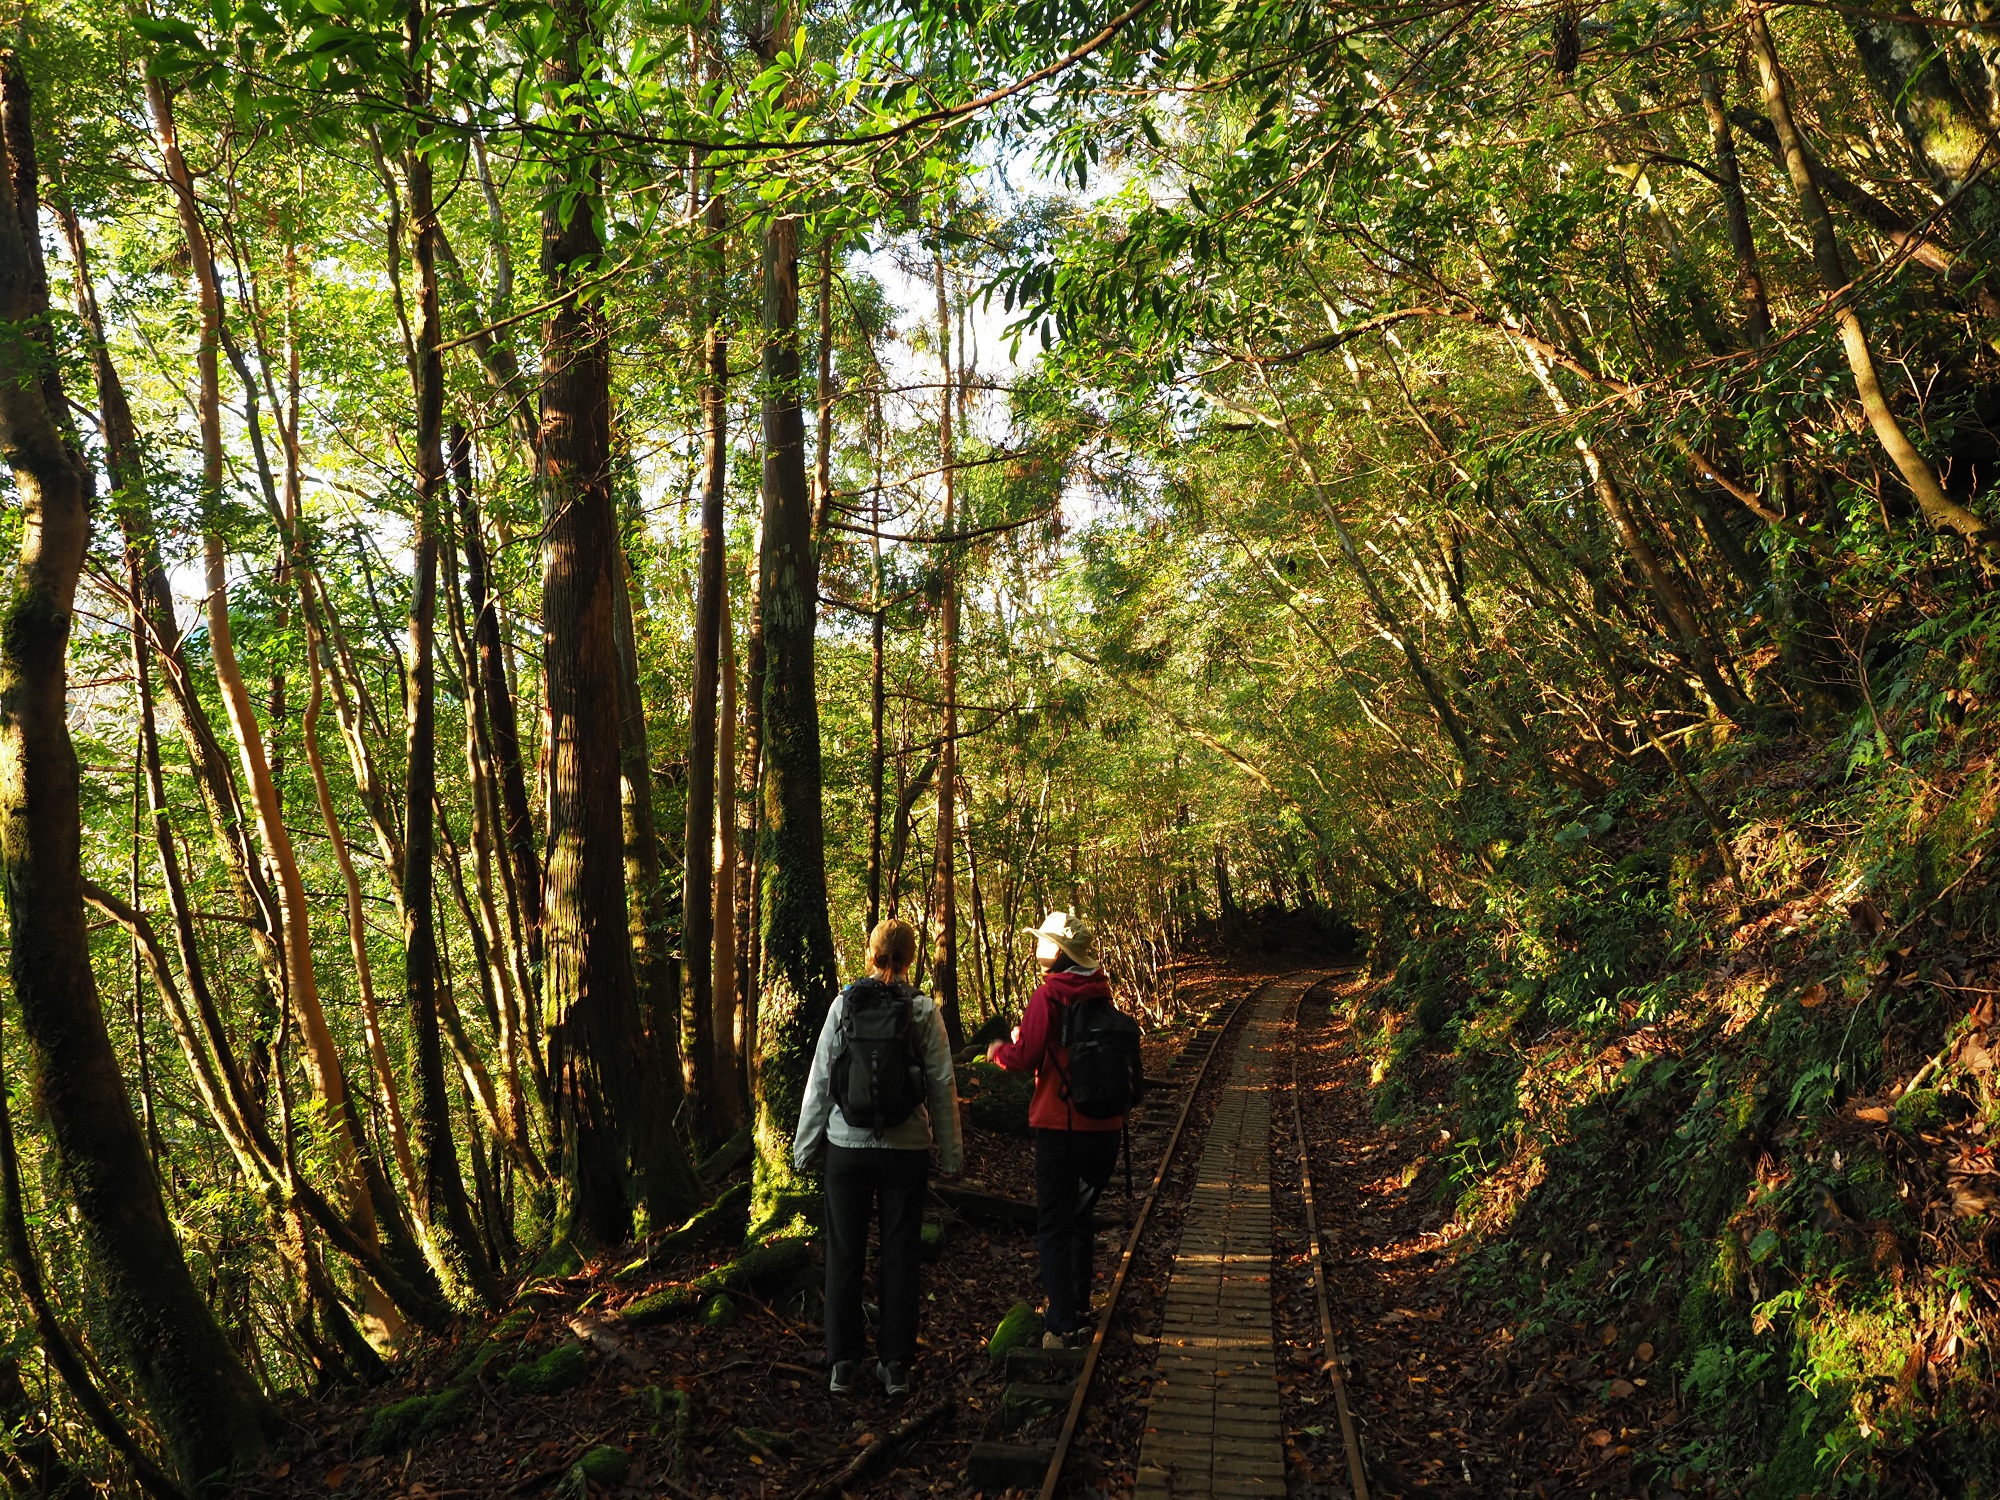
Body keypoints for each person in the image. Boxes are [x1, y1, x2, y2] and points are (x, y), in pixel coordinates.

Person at [795, 918, 962, 1398]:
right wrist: (950, 1153)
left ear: (870, 955)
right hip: (906, 1150)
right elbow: (941, 1084)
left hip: (846, 1149)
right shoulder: (924, 1010)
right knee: (900, 1255)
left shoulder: (844, 1004)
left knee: (844, 1254)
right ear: (911, 959)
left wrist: (806, 1147)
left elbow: (821, 1080)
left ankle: (843, 1364)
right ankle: (895, 1367)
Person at [985, 910, 1125, 1349]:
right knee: (1081, 1219)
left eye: (1043, 941)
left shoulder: (1049, 995)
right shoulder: (1100, 991)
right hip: (1106, 1128)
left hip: (1060, 1127)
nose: (1037, 947)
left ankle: (1062, 1322)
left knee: (1054, 1224)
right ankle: (1077, 1306)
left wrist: (998, 1051)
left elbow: (1025, 1057)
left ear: (1059, 952)